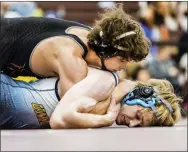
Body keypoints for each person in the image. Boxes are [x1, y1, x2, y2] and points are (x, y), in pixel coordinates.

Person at [0, 4, 151, 97]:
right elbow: (69, 110)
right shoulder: (71, 58)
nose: (125, 66)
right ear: (107, 52)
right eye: (123, 60)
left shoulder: (95, 37)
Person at [0, 67, 181, 129]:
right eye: (138, 117)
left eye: (139, 125)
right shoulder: (107, 81)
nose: (131, 124)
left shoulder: (109, 101)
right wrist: (106, 118)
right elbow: (60, 120)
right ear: (140, 95)